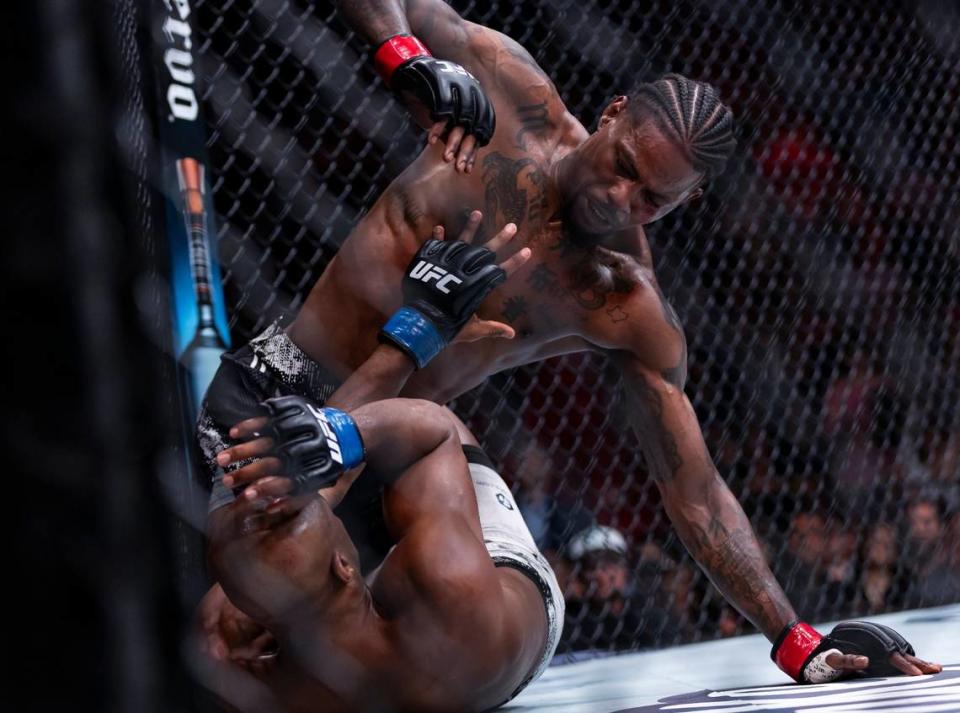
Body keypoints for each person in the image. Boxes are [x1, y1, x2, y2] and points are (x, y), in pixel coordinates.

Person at [199, 0, 941, 684]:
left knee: (288, 668)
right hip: (281, 386)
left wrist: (796, 641)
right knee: (216, 639)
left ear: (690, 201)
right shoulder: (507, 89)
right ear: (612, 112)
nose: (620, 199)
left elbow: (695, 489)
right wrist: (399, 51)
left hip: (380, 462)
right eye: (624, 166)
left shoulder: (623, 301)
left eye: (653, 197)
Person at [199, 231, 564, 712]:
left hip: (321, 620)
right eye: (289, 511)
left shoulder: (242, 664)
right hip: (500, 578)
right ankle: (425, 331)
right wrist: (338, 436)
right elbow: (432, 431)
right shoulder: (448, 587)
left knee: (290, 479)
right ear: (345, 567)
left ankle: (322, 460)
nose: (274, 503)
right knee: (343, 449)